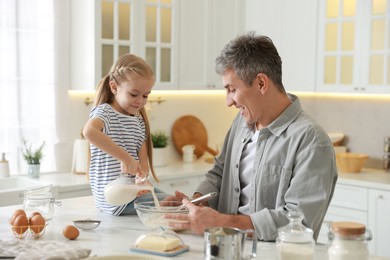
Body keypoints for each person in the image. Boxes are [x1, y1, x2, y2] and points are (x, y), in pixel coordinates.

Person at [166, 32, 338, 241]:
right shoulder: (241, 123)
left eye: (232, 89)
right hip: (226, 247)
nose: (228, 101)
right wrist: (195, 203)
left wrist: (224, 223)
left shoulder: (312, 141)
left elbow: (299, 222)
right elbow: (220, 173)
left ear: (261, 83)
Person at [83, 53, 159, 216]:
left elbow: (143, 163)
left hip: (131, 194)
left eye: (145, 95)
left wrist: (141, 179)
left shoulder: (138, 121)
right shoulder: (105, 113)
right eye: (134, 94)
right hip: (113, 200)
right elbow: (89, 131)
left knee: (173, 202)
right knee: (172, 204)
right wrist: (125, 158)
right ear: (114, 87)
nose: (140, 101)